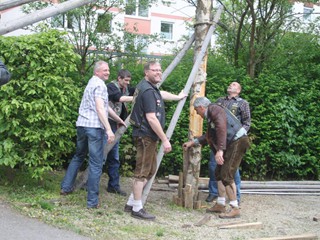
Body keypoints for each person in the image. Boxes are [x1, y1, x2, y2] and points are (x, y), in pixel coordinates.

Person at [124, 61, 187, 220]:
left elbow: (161, 94)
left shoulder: (149, 88)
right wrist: (165, 140)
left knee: (150, 170)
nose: (158, 72)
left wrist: (178, 97)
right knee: (142, 173)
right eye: (155, 70)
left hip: (147, 136)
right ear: (147, 72)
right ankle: (137, 208)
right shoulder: (147, 91)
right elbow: (151, 118)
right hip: (145, 136)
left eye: (160, 70)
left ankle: (131, 202)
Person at [60, 61, 125, 209]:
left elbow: (105, 106)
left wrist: (118, 119)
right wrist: (109, 129)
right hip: (94, 127)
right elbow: (100, 108)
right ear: (97, 72)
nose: (108, 72)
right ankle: (92, 202)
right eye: (104, 70)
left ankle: (65, 187)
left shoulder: (91, 82)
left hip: (82, 125)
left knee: (78, 156)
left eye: (108, 70)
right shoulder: (101, 85)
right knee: (96, 163)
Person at [183, 97, 250, 218]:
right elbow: (209, 135)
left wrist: (220, 150)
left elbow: (221, 129)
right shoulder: (212, 114)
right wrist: (194, 142)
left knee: (226, 174)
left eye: (197, 111)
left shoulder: (215, 110)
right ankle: (220, 204)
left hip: (238, 141)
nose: (197, 114)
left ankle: (235, 208)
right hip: (232, 142)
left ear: (201, 107)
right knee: (218, 173)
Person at [206, 82, 251, 203]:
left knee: (231, 169)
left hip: (233, 140)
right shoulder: (220, 101)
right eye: (230, 84)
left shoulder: (243, 103)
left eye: (234, 85)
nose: (231, 85)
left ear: (239, 90)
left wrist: (239, 134)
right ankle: (214, 193)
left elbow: (247, 122)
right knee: (213, 166)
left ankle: (236, 197)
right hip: (219, 140)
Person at [104, 69, 135, 196]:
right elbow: (119, 98)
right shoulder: (111, 87)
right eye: (125, 81)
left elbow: (139, 90)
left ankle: (113, 186)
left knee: (114, 158)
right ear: (119, 78)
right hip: (107, 123)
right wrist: (136, 98)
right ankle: (88, 183)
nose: (127, 83)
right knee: (102, 154)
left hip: (116, 125)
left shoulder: (126, 88)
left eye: (129, 81)